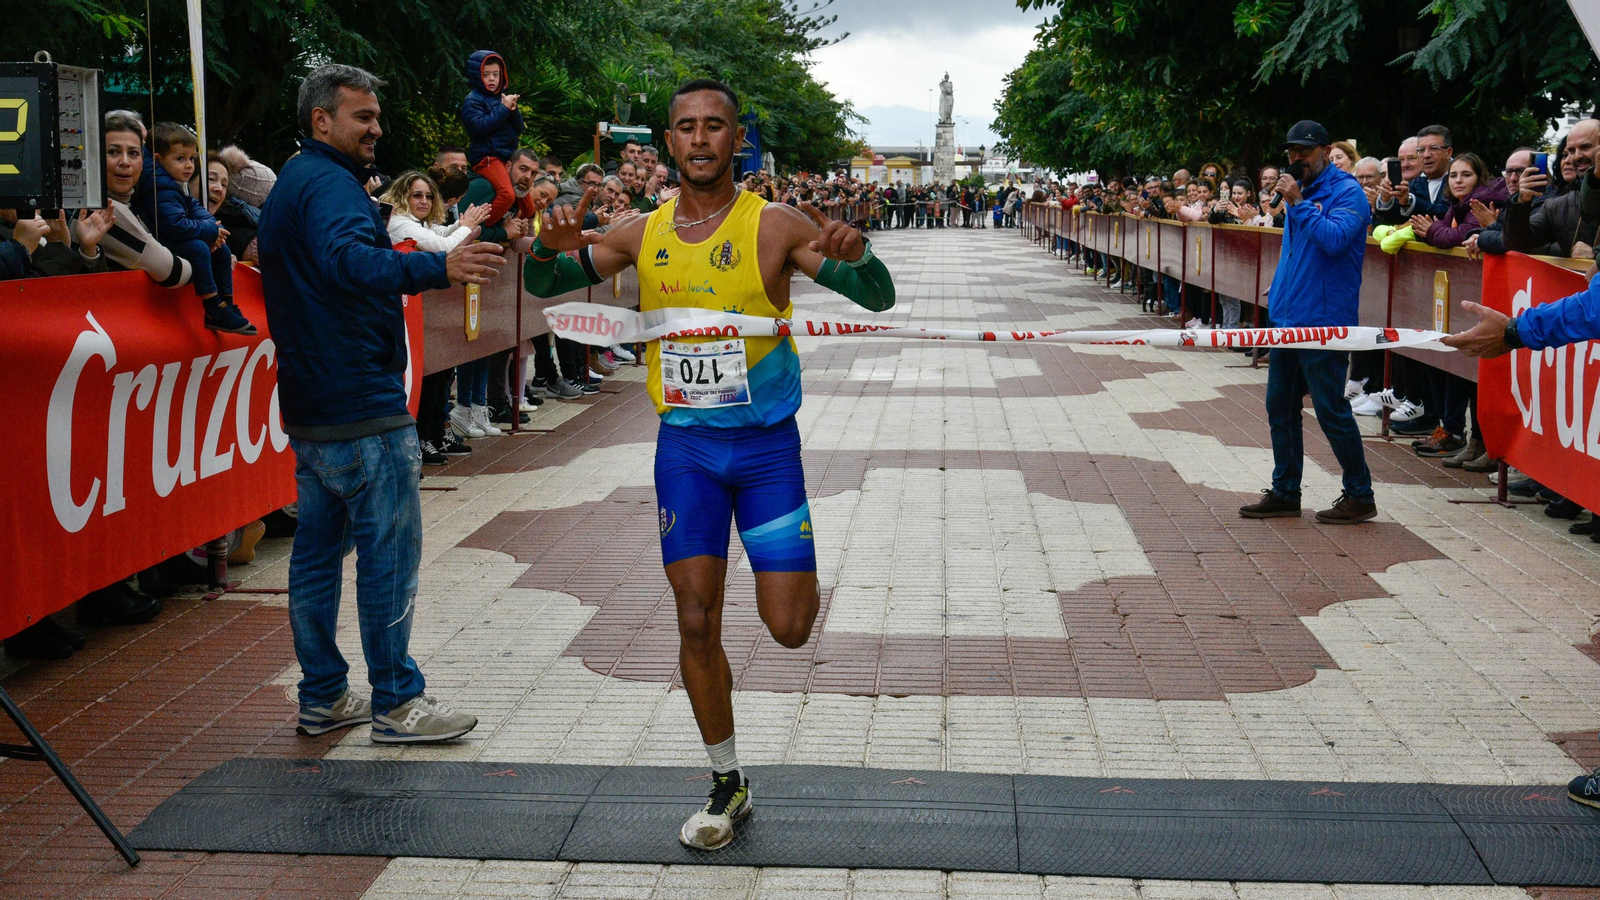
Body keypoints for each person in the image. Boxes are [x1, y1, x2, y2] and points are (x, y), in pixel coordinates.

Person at [525, 78, 895, 852]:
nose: (700, 140)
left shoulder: (774, 226)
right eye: (686, 128)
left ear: (736, 140)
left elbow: (876, 298)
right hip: (686, 451)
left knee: (788, 629)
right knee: (695, 615)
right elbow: (546, 282)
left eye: (715, 127)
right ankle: (726, 780)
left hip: (765, 452)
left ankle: (794, 571)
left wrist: (862, 258)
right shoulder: (639, 230)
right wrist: (549, 252)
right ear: (669, 143)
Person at [259, 63, 504, 744]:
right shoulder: (329, 186)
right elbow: (349, 263)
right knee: (387, 556)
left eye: (375, 115)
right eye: (362, 116)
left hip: (314, 402)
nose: (376, 128)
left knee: (314, 556)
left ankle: (325, 695)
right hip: (360, 402)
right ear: (322, 121)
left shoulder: (297, 183)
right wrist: (436, 266)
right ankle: (398, 701)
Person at [1238, 120, 1376, 525]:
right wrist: (1280, 289)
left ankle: (1360, 495)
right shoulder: (1297, 195)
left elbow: (1333, 241)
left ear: (1324, 150)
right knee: (1279, 406)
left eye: (1305, 150)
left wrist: (1298, 204)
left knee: (1331, 410)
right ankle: (1285, 492)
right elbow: (1295, 254)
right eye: (1291, 151)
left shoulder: (1347, 192)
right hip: (1288, 318)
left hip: (1324, 323)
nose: (1296, 158)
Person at [136, 122, 257, 335]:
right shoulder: (158, 186)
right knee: (199, 248)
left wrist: (211, 227)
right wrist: (209, 230)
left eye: (192, 159)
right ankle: (212, 306)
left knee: (221, 250)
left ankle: (226, 303)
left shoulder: (171, 184)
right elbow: (175, 226)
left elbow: (193, 207)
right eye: (180, 158)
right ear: (158, 159)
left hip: (177, 240)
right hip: (164, 244)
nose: (189, 165)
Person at [461, 50, 535, 224]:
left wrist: (513, 109)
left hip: (507, 158)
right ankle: (482, 228)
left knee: (529, 208)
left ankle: (515, 228)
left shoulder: (502, 99)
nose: (492, 79)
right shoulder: (472, 101)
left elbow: (519, 128)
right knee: (507, 195)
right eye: (486, 75)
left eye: (496, 74)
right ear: (477, 76)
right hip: (487, 157)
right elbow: (479, 128)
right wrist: (503, 109)